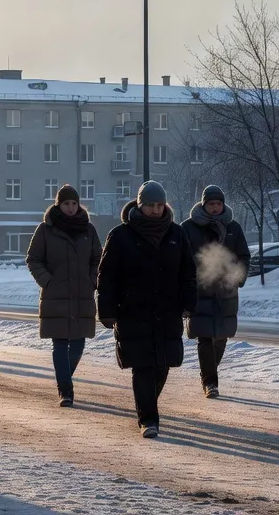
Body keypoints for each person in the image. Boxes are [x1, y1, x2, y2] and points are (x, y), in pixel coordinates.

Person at [97, 181, 195, 439]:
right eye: (150, 205)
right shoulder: (120, 236)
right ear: (139, 206)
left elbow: (188, 272)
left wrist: (189, 303)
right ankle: (148, 420)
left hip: (167, 310)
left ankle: (147, 404)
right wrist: (106, 310)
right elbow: (106, 276)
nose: (155, 210)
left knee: (162, 365)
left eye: (159, 205)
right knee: (142, 366)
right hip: (132, 311)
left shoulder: (176, 234)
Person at [26, 184, 100, 407]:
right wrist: (47, 280)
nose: (70, 208)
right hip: (55, 296)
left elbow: (98, 259)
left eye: (74, 203)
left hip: (81, 295)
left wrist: (92, 280)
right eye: (66, 203)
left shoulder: (88, 230)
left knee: (78, 343)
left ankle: (64, 378)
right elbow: (33, 259)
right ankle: (65, 391)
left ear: (79, 205)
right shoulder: (45, 230)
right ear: (58, 205)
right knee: (59, 344)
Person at [181, 185, 251, 399]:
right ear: (204, 204)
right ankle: (210, 382)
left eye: (218, 204)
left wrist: (238, 277)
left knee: (221, 337)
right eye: (211, 204)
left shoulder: (233, 227)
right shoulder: (189, 227)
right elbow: (182, 257)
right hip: (200, 290)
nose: (215, 207)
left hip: (226, 290)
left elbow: (244, 255)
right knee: (204, 337)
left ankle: (209, 372)